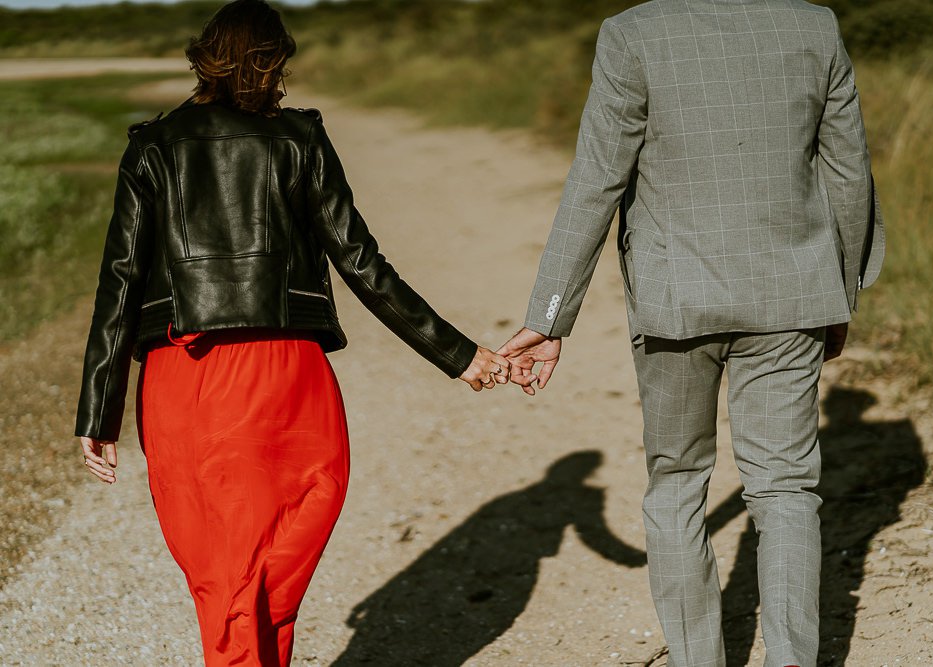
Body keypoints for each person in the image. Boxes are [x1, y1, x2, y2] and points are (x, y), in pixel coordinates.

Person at [74, 1, 509, 664]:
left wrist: (97, 408)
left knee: (219, 568)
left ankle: (240, 634)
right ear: (276, 61)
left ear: (204, 57)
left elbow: (119, 282)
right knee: (311, 495)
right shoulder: (299, 138)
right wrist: (459, 354)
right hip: (282, 369)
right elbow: (362, 261)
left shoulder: (153, 146)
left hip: (180, 372)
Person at [499, 1, 885, 666]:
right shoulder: (812, 24)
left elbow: (597, 177)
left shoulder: (633, 34)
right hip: (791, 295)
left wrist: (550, 315)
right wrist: (839, 292)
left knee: (677, 480)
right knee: (787, 486)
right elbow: (847, 169)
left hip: (676, 302)